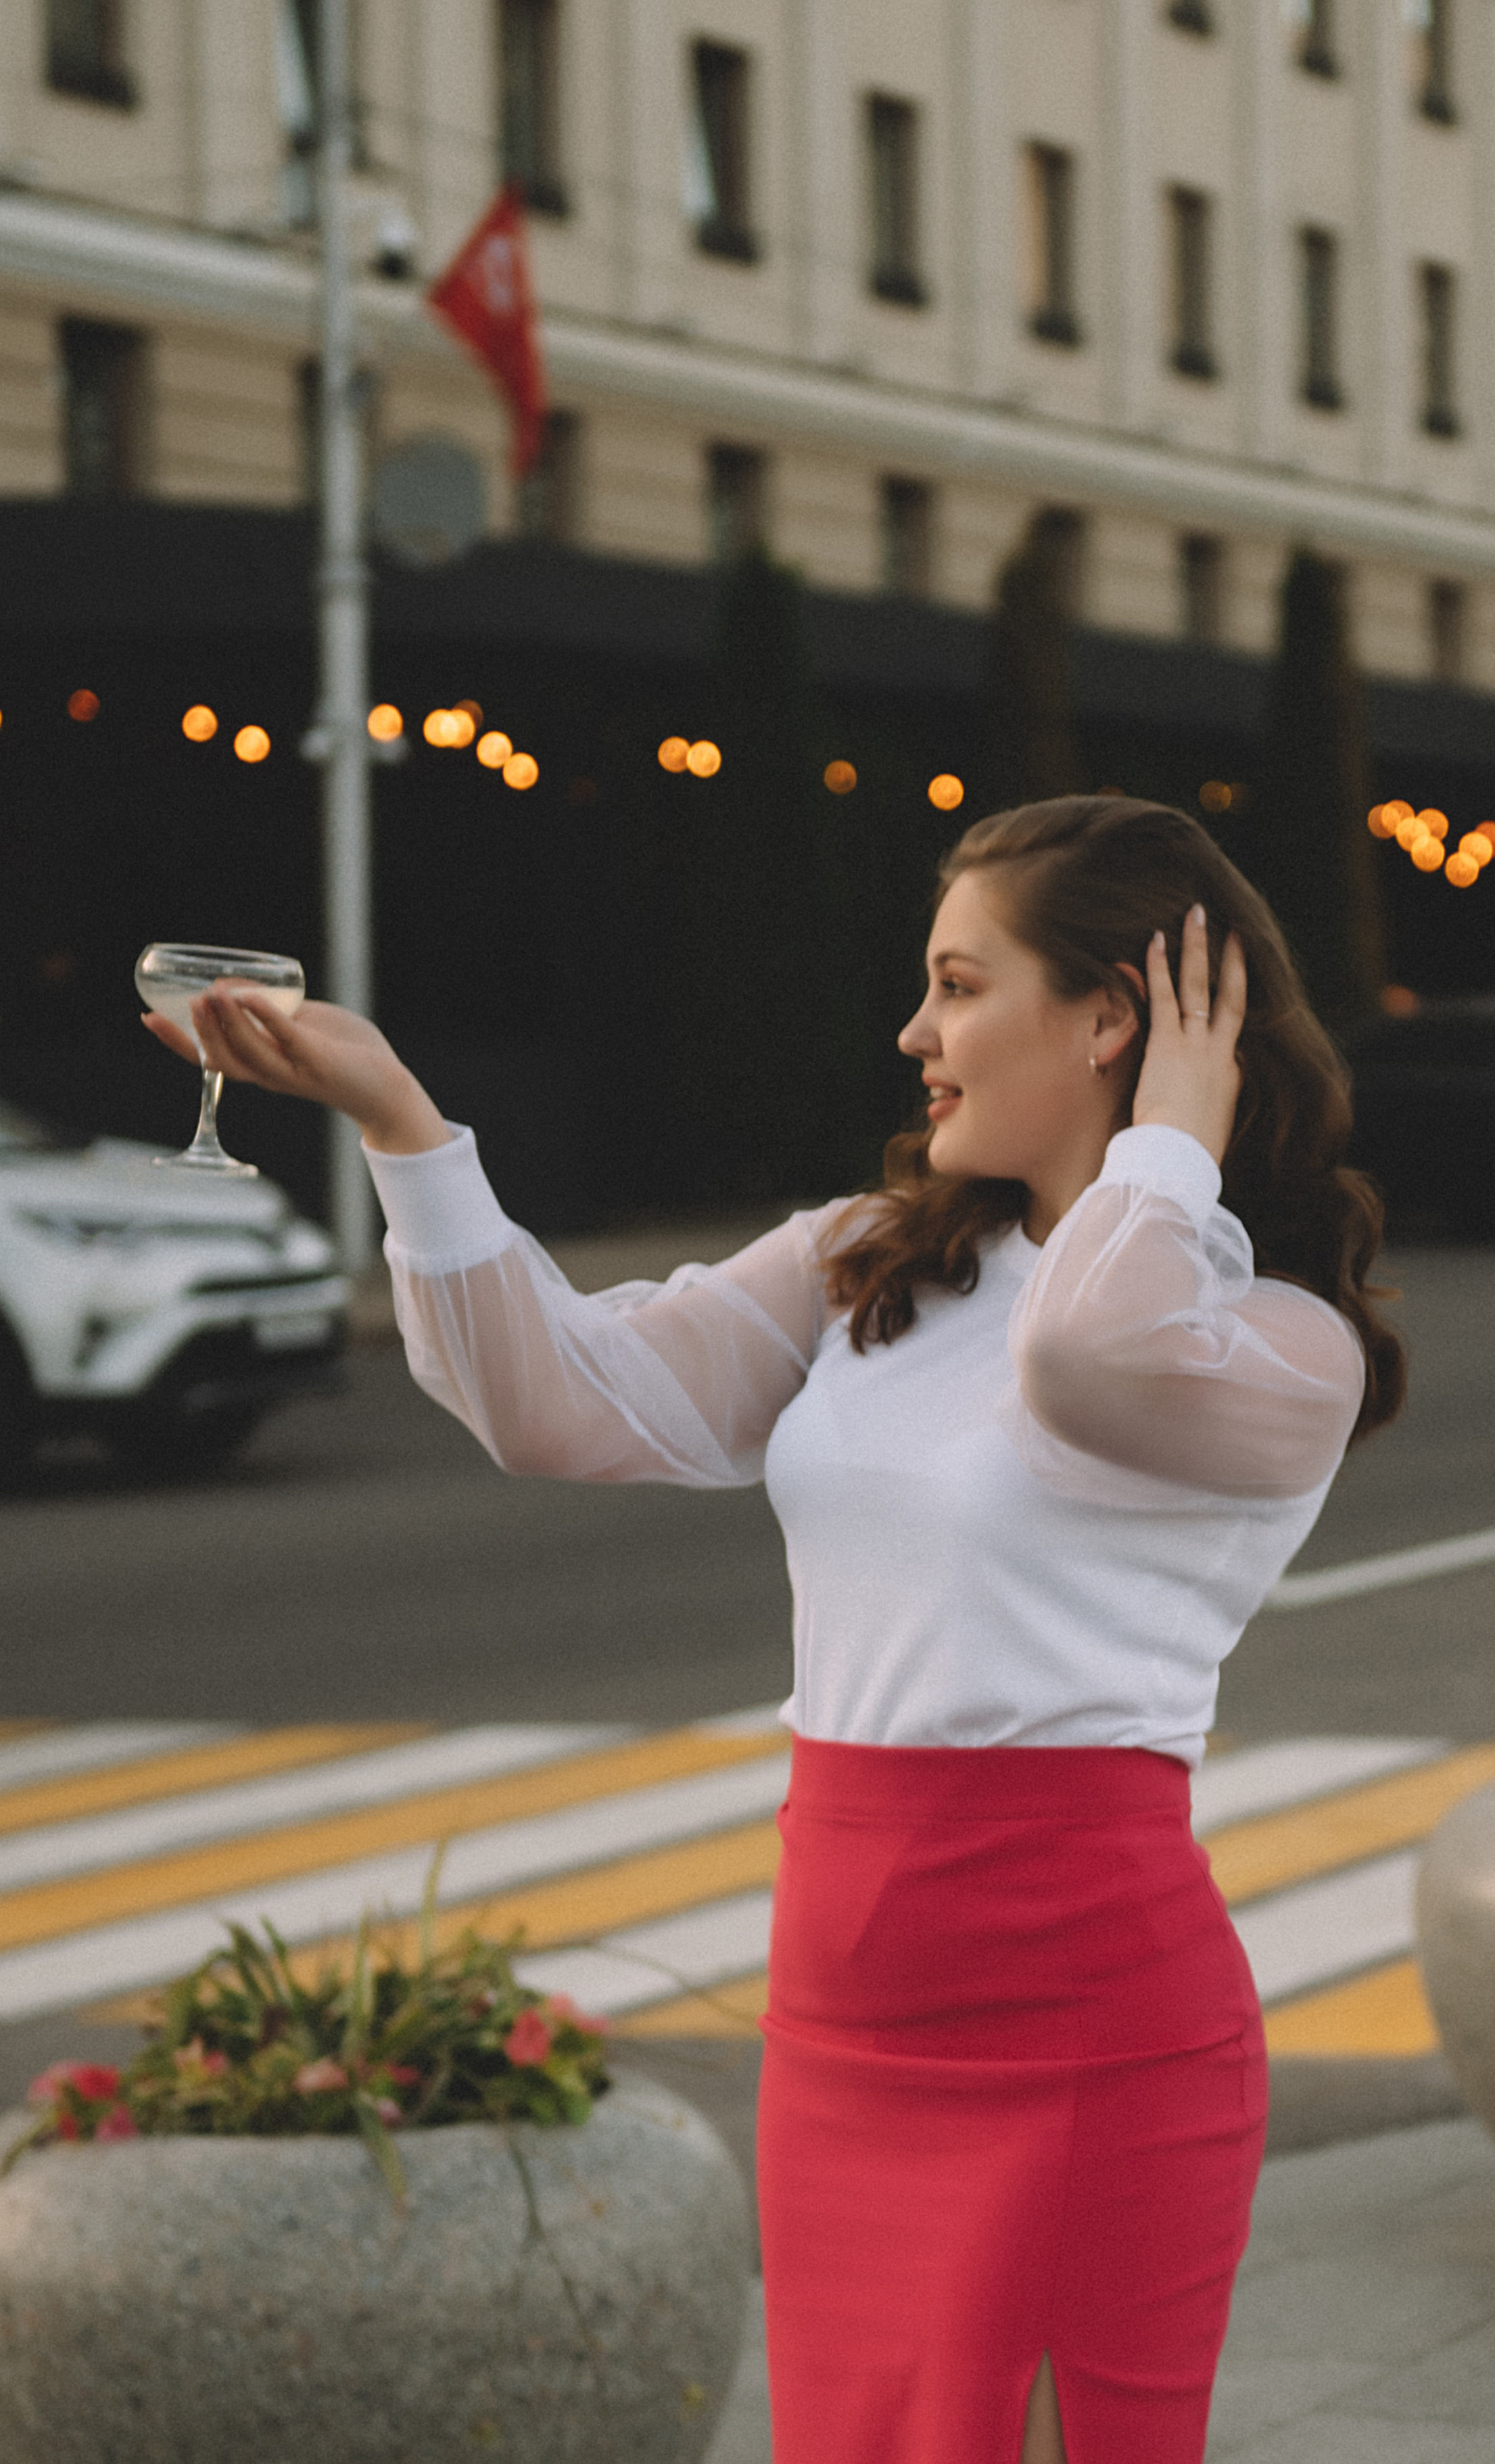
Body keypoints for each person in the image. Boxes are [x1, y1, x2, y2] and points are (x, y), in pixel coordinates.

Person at [150, 794, 1404, 2463]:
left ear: (1111, 1017)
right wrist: (399, 1117)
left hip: (1083, 2049)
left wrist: (1169, 1138)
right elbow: (559, 1402)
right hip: (838, 2033)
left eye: (958, 985)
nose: (913, 1034)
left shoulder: (1277, 1345)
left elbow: (1083, 1356)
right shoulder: (866, 1265)